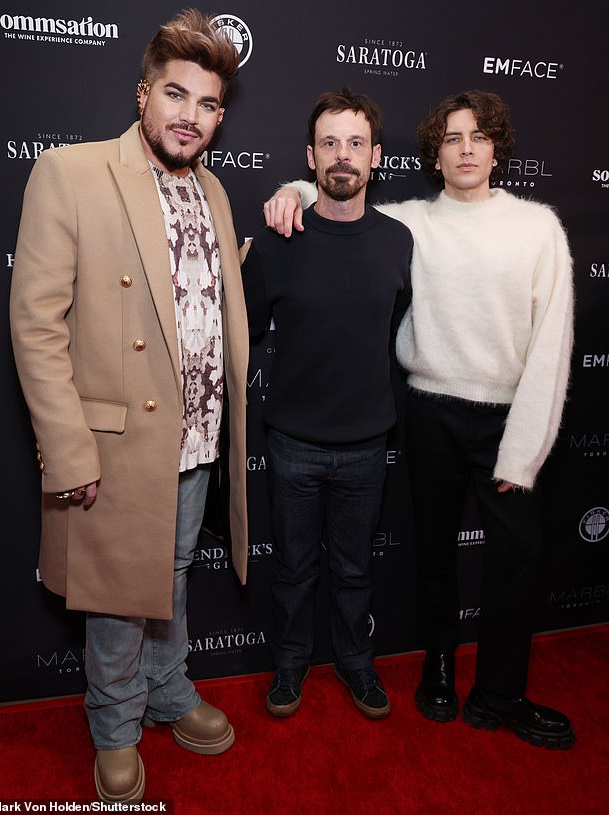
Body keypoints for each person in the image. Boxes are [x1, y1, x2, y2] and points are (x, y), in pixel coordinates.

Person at [263, 89, 576, 749]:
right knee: (432, 556)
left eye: (478, 137)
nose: (465, 148)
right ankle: (436, 669)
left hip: (507, 417)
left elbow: (553, 345)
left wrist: (523, 451)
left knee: (515, 560)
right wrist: (291, 188)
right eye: (452, 137)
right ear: (434, 152)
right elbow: (337, 195)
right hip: (428, 409)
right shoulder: (411, 223)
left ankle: (501, 692)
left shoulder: (537, 225)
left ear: (497, 149)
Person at [9, 9, 250, 803]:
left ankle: (168, 688)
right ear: (143, 93)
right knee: (118, 591)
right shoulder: (71, 172)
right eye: (176, 95)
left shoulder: (213, 188)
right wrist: (70, 450)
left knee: (172, 573)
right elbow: (36, 325)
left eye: (208, 104)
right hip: (114, 441)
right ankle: (114, 720)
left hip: (196, 436)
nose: (190, 116)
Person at [241, 88, 412, 720]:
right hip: (292, 444)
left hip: (369, 444)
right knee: (291, 569)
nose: (344, 155)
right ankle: (289, 668)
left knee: (354, 569)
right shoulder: (279, 240)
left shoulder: (401, 241)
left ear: (374, 157)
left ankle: (355, 664)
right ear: (311, 158)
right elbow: (243, 329)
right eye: (331, 143)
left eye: (357, 143)